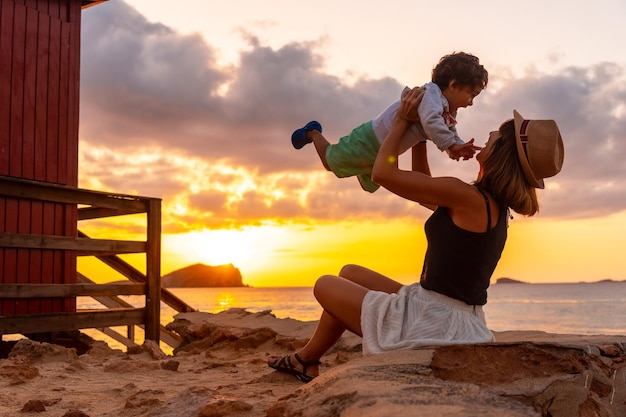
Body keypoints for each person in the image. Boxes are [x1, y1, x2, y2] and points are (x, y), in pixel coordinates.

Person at [268, 87, 564, 383]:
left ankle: (305, 360)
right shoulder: (486, 203)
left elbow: (382, 175)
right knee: (349, 273)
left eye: (495, 136)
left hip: (432, 323)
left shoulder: (467, 196)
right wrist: (421, 130)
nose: (489, 135)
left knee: (325, 285)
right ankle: (306, 360)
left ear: (501, 152)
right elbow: (422, 188)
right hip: (451, 314)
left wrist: (401, 121)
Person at [290, 52, 488, 193]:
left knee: (371, 186)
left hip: (385, 149)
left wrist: (457, 146)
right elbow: (432, 122)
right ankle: (313, 133)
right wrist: (451, 145)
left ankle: (360, 168)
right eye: (472, 95)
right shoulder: (430, 96)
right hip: (369, 140)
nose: (471, 102)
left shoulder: (447, 109)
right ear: (453, 85)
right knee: (329, 162)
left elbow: (449, 129)